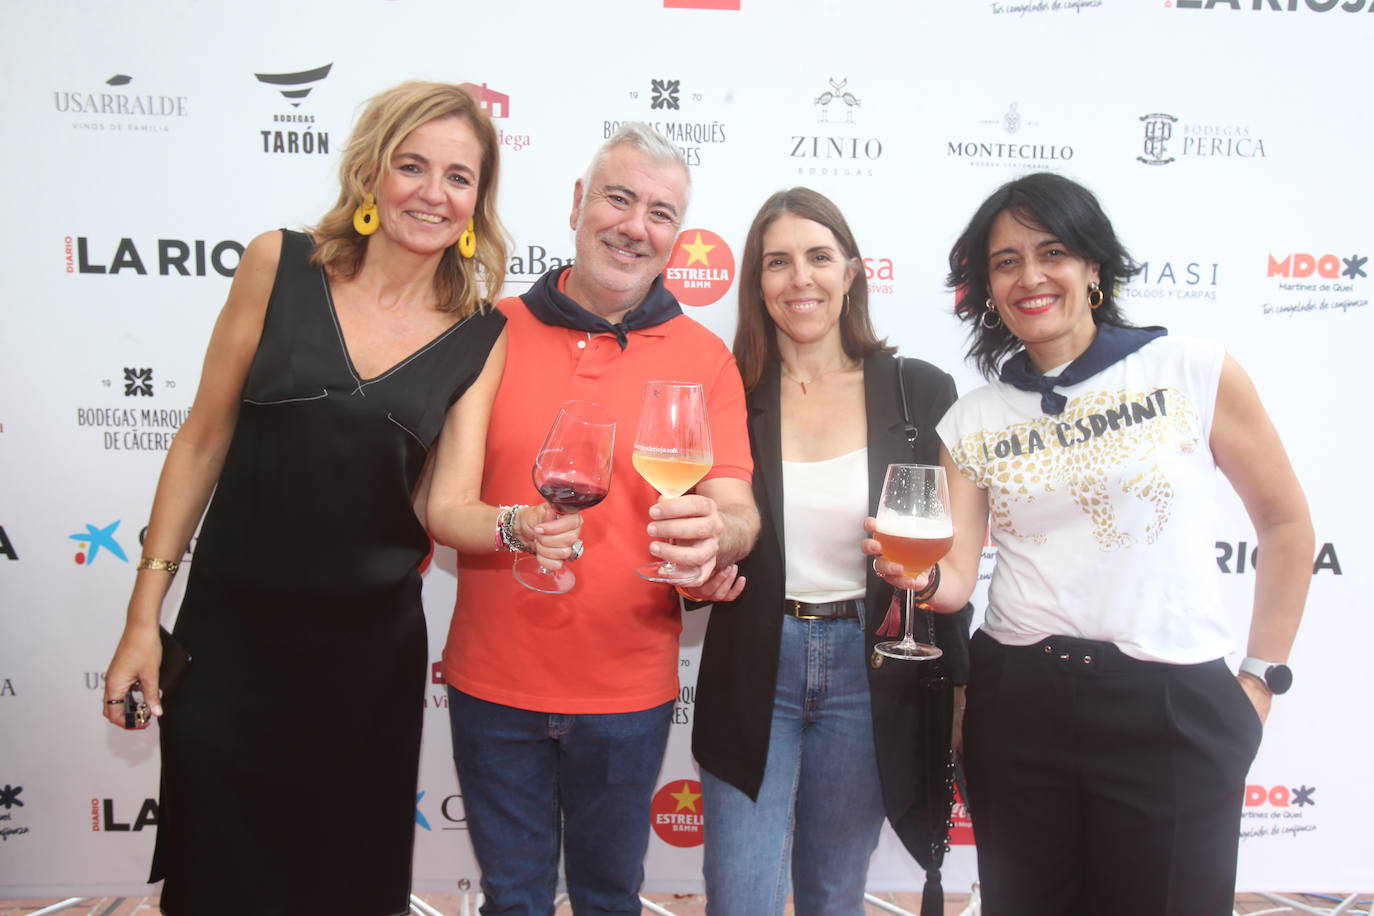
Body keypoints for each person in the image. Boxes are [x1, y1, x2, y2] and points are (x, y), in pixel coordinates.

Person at [101, 82, 572, 915]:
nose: (433, 192)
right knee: (215, 882)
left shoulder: (479, 332)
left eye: (459, 178)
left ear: (477, 203)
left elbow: (446, 508)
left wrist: (516, 524)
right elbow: (201, 440)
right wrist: (146, 617)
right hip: (229, 645)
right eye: (412, 165)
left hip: (366, 666)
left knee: (343, 890)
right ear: (371, 173)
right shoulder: (275, 265)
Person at [866, 171, 1313, 915]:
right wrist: (907, 573)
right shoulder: (975, 417)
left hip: (1172, 705)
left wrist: (1262, 678)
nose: (1031, 277)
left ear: (1094, 267)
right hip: (1020, 707)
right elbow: (956, 576)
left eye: (1053, 252)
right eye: (1006, 262)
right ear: (985, 287)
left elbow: (1288, 523)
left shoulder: (1191, 370)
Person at [436, 122, 760, 915]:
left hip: (627, 691)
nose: (635, 226)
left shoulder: (703, 358)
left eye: (661, 212)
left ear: (677, 236)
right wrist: (515, 525)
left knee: (610, 896)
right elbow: (442, 504)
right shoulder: (488, 331)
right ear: (580, 203)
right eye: (619, 198)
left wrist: (721, 536)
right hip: (493, 684)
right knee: (511, 899)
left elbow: (739, 509)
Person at [688, 188, 970, 916]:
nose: (799, 279)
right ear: (757, 284)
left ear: (853, 271)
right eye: (777, 263)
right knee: (741, 897)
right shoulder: (729, 393)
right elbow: (699, 537)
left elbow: (954, 563)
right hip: (754, 658)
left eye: (818, 257)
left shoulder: (919, 393)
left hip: (870, 669)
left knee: (833, 895)